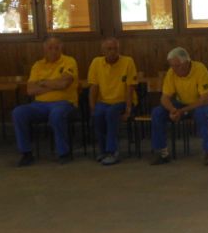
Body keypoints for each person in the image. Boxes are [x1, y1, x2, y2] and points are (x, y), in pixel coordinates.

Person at [13, 37, 79, 166]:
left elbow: (64, 84)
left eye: (56, 48)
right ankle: (26, 153)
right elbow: (30, 90)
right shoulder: (38, 65)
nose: (53, 51)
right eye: (50, 48)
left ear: (61, 48)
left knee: (57, 114)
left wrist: (42, 83)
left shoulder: (69, 61)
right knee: (18, 112)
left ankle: (63, 153)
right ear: (44, 49)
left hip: (64, 102)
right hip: (39, 105)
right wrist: (55, 83)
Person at [151, 47, 208, 166]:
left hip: (201, 103)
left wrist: (181, 111)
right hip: (181, 104)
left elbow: (205, 98)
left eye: (177, 66)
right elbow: (164, 98)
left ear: (186, 62)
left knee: (203, 114)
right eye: (172, 66)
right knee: (157, 112)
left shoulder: (199, 69)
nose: (174, 69)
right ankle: (162, 152)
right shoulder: (172, 72)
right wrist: (172, 110)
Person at [87, 37, 137, 166]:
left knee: (111, 113)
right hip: (103, 101)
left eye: (115, 49)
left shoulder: (128, 61)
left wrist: (128, 109)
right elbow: (93, 87)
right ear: (103, 51)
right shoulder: (96, 62)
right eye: (109, 49)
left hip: (122, 101)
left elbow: (130, 87)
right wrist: (92, 107)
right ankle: (102, 150)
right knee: (98, 114)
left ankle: (112, 151)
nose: (112, 51)